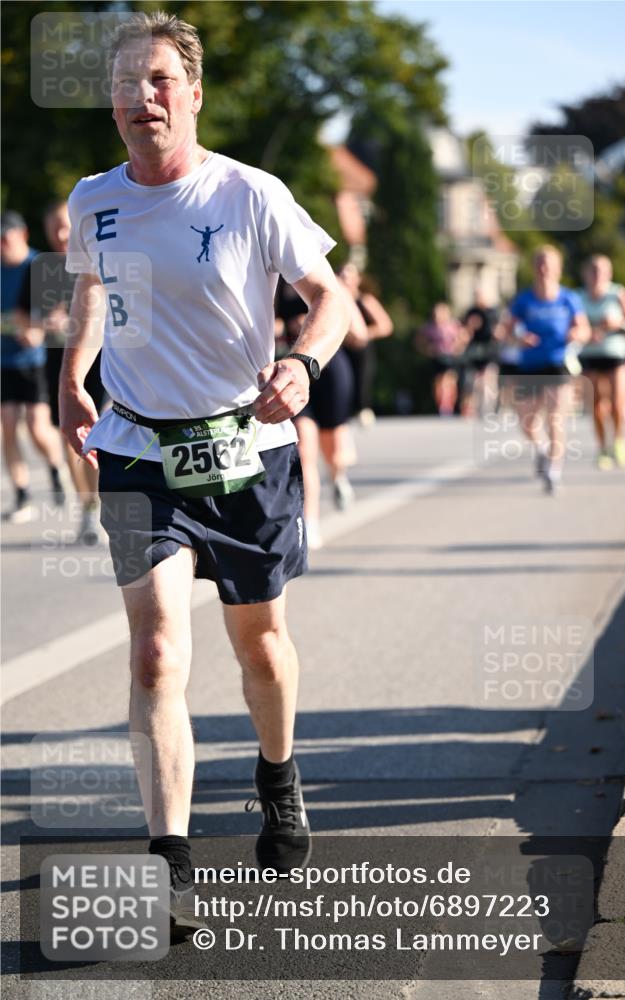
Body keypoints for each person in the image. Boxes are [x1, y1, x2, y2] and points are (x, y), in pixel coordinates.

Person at [58, 11, 349, 938]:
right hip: (141, 450)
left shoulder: (249, 194)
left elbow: (329, 298)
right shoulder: (91, 198)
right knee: (154, 650)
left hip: (246, 449)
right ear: (110, 102)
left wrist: (301, 366)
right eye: (126, 83)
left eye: (158, 81)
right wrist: (75, 370)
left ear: (191, 94)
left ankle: (277, 774)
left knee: (259, 646)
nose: (142, 98)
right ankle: (168, 861)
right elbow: (97, 285)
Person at [17, 200, 107, 543]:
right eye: (54, 226)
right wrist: (39, 326)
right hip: (58, 366)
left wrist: (77, 322)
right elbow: (25, 315)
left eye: (65, 225)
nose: (60, 233)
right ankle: (87, 510)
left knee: (99, 438)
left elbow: (122, 312)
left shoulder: (101, 259)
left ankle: (100, 505)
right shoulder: (42, 267)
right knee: (71, 440)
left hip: (101, 364)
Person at [276, 275, 368, 549]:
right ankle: (310, 522)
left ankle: (338, 476)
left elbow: (360, 334)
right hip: (293, 369)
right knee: (304, 450)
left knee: (335, 453)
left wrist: (324, 326)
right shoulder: (276, 283)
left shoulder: (329, 281)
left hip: (329, 369)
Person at [497, 245, 590, 495]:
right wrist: (519, 338)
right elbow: (505, 330)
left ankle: (553, 471)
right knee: (527, 422)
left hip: (558, 363)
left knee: (555, 417)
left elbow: (584, 329)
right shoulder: (524, 300)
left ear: (558, 269)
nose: (543, 268)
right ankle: (540, 448)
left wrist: (575, 334)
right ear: (533, 268)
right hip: (529, 365)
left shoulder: (568, 298)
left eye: (548, 263)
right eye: (539, 263)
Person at [1, 210, 66, 522]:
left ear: (22, 235)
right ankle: (22, 495)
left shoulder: (40, 265)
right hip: (4, 360)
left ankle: (56, 469)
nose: (2, 246)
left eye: (6, 239)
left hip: (36, 360)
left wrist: (38, 328)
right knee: (8, 426)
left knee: (37, 427)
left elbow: (60, 309)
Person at [577, 255, 625, 468]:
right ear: (585, 273)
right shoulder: (579, 297)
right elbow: (573, 326)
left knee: (618, 404)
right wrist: (585, 333)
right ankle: (603, 448)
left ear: (609, 273)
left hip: (616, 355)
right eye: (593, 270)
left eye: (601, 270)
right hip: (590, 356)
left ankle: (619, 440)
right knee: (596, 407)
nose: (597, 274)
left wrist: (619, 323)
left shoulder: (618, 294)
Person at [339, 262, 393, 426]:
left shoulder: (365, 300)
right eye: (342, 275)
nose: (345, 279)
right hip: (341, 349)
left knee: (362, 381)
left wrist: (362, 334)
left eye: (349, 275)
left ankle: (363, 410)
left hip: (361, 349)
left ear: (358, 279)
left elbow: (385, 325)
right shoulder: (336, 300)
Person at [415, 302, 466, 416]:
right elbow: (419, 341)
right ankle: (443, 406)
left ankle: (450, 404)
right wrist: (427, 350)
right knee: (439, 383)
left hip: (450, 358)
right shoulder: (429, 327)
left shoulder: (453, 325)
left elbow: (463, 338)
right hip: (437, 358)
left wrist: (457, 348)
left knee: (450, 381)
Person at [460, 291, 500, 417]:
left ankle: (491, 406)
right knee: (472, 380)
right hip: (474, 348)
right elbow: (466, 329)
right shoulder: (471, 311)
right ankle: (472, 407)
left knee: (488, 377)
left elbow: (498, 330)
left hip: (489, 348)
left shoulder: (492, 311)